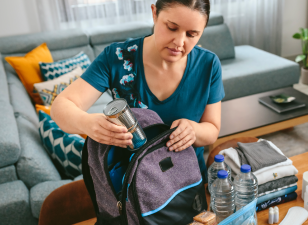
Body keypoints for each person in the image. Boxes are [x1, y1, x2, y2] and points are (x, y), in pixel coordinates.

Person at [51, 0, 224, 182]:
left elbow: (212, 129)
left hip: (187, 185)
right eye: (172, 28)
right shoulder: (117, 58)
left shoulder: (208, 65)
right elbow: (60, 107)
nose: (179, 42)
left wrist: (193, 130)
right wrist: (87, 123)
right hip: (133, 190)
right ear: (154, 13)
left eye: (192, 34)